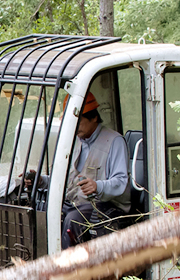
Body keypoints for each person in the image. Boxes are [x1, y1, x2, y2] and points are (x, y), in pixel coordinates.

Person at [23, 92, 130, 249]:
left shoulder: (114, 141)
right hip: (76, 202)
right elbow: (64, 180)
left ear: (93, 117)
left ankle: (68, 269)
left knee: (73, 219)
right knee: (43, 210)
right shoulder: (74, 142)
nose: (74, 127)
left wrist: (98, 186)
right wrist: (41, 181)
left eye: (78, 122)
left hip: (104, 205)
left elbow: (121, 182)